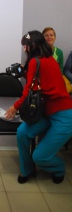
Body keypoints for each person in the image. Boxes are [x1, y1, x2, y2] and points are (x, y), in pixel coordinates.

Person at [5, 30, 72, 184]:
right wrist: (24, 72)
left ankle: (59, 168)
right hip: (48, 113)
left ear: (32, 45)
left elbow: (29, 88)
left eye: (25, 46)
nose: (24, 49)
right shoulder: (45, 59)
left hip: (64, 116)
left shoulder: (37, 61)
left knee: (40, 156)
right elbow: (39, 81)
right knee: (22, 132)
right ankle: (26, 169)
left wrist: (15, 107)